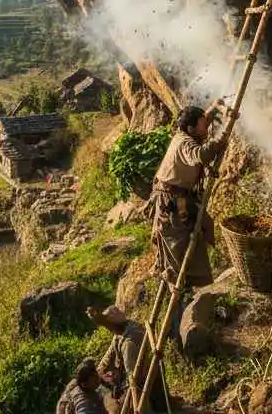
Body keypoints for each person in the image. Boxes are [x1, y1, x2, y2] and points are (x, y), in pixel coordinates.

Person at [151, 102, 226, 290]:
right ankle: (183, 289)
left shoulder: (186, 133)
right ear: (191, 128)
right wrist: (220, 141)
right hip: (173, 203)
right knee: (180, 245)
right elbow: (200, 155)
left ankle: (193, 284)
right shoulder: (186, 143)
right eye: (203, 125)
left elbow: (203, 122)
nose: (207, 127)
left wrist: (215, 107)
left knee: (198, 233)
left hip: (180, 199)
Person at [85, 305, 167, 413]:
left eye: (107, 325)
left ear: (113, 324)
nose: (107, 328)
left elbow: (133, 380)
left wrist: (118, 388)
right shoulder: (120, 334)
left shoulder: (129, 344)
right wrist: (98, 373)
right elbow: (107, 359)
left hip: (145, 384)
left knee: (116, 407)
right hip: (133, 378)